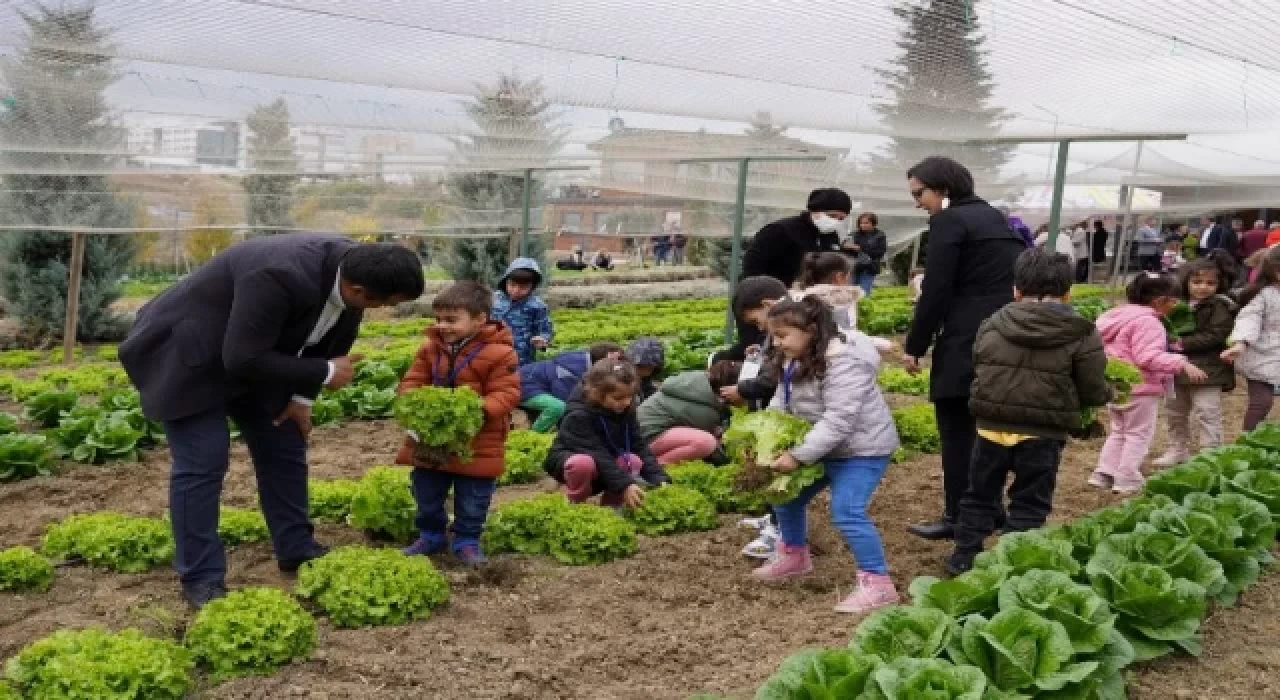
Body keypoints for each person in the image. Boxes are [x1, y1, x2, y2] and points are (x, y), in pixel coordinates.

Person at [118, 236, 425, 608]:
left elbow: (333, 342)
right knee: (203, 463)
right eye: (385, 303)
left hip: (255, 356)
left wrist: (301, 398)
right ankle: (200, 577)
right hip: (187, 355)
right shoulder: (279, 273)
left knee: (284, 443)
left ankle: (296, 548)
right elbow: (242, 357)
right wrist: (324, 371)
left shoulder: (356, 271)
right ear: (358, 289)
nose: (383, 309)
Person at [948, 249, 1110, 574]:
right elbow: (1092, 386)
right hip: (1043, 431)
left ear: (1016, 290)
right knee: (1030, 500)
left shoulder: (992, 324)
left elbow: (980, 365)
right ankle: (1012, 563)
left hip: (991, 426)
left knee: (979, 494)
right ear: (1068, 292)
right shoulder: (1081, 331)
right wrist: (1105, 395)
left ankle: (964, 557)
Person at [748, 297, 901, 614]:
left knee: (847, 511)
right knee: (785, 497)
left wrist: (798, 456)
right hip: (822, 447)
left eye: (782, 335)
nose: (776, 343)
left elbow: (839, 420)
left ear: (812, 331)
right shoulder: (794, 358)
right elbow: (781, 400)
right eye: (773, 336)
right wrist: (769, 437)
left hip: (862, 449)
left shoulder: (844, 362)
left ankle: (878, 583)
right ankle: (794, 556)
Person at [902, 156, 1025, 541]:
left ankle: (960, 516)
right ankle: (992, 508)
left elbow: (936, 289)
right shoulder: (996, 218)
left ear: (944, 190)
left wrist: (915, 345)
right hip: (1003, 332)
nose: (918, 202)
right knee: (988, 426)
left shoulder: (950, 222)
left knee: (957, 430)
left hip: (964, 337)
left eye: (920, 193)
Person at [395, 282, 521, 565]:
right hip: (432, 440)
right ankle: (431, 534)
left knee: (473, 497)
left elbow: (507, 393)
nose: (443, 326)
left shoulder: (501, 353)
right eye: (439, 319)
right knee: (425, 489)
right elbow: (413, 380)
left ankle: (466, 540)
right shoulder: (430, 348)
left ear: (480, 319)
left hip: (478, 438)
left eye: (452, 320)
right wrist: (413, 401)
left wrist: (474, 410)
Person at [1088, 274, 1207, 494]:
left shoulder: (1114, 316)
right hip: (1140, 388)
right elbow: (1147, 357)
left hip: (1115, 387)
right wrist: (1181, 362)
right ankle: (1127, 478)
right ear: (1159, 300)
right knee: (1137, 435)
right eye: (1172, 301)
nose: (1174, 306)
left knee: (1119, 431)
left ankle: (1104, 473)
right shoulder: (1148, 322)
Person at [732, 188, 849, 358]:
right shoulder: (781, 230)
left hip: (801, 306)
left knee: (793, 351)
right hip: (766, 303)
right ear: (815, 210)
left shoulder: (830, 237)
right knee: (758, 349)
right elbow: (752, 265)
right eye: (832, 215)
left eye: (841, 219)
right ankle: (723, 365)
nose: (836, 221)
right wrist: (762, 301)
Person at [544, 359, 671, 508]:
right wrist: (625, 485)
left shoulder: (625, 410)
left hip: (607, 464)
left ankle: (613, 506)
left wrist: (659, 478)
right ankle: (575, 502)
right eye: (618, 398)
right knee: (583, 463)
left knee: (633, 460)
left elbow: (639, 445)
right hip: (577, 463)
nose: (626, 402)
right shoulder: (578, 416)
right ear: (597, 394)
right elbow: (597, 453)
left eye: (630, 397)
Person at [1154, 259, 1237, 465]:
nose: (1203, 287)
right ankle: (1177, 449)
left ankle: (1210, 453)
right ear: (1186, 281)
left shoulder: (1221, 305)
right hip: (1176, 367)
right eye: (1197, 281)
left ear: (1218, 285)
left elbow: (1217, 334)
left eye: (1210, 283)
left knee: (1207, 411)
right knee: (1175, 411)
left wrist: (1181, 343)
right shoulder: (1174, 303)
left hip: (1209, 368)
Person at [638, 360, 741, 465]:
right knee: (706, 443)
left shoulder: (696, 381)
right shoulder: (707, 411)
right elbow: (714, 445)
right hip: (644, 440)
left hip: (642, 432)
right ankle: (654, 467)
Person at [1222, 245, 1280, 431]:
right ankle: (1248, 443)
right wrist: (1240, 343)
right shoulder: (1264, 295)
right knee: (1262, 402)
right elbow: (1249, 318)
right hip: (1262, 356)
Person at [518, 342, 624, 433]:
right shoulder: (571, 370)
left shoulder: (586, 361)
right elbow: (565, 397)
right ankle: (535, 434)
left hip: (534, 384)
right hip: (521, 386)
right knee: (557, 407)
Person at [493, 257, 554, 366]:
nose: (516, 290)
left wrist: (542, 340)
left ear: (532, 286)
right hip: (493, 355)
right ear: (505, 281)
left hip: (522, 359)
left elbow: (545, 331)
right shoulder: (494, 299)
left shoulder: (537, 306)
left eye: (523, 287)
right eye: (512, 285)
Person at [844, 212, 888, 297]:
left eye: (866, 223)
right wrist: (847, 247)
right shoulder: (854, 234)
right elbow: (846, 249)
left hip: (869, 268)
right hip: (854, 267)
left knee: (863, 293)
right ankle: (852, 310)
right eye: (861, 223)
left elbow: (880, 252)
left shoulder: (880, 235)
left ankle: (861, 308)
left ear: (873, 223)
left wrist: (860, 248)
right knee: (849, 292)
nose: (863, 225)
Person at [627, 337, 665, 403]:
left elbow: (648, 390)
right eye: (639, 366)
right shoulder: (621, 378)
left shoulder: (646, 380)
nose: (642, 370)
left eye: (648, 367)